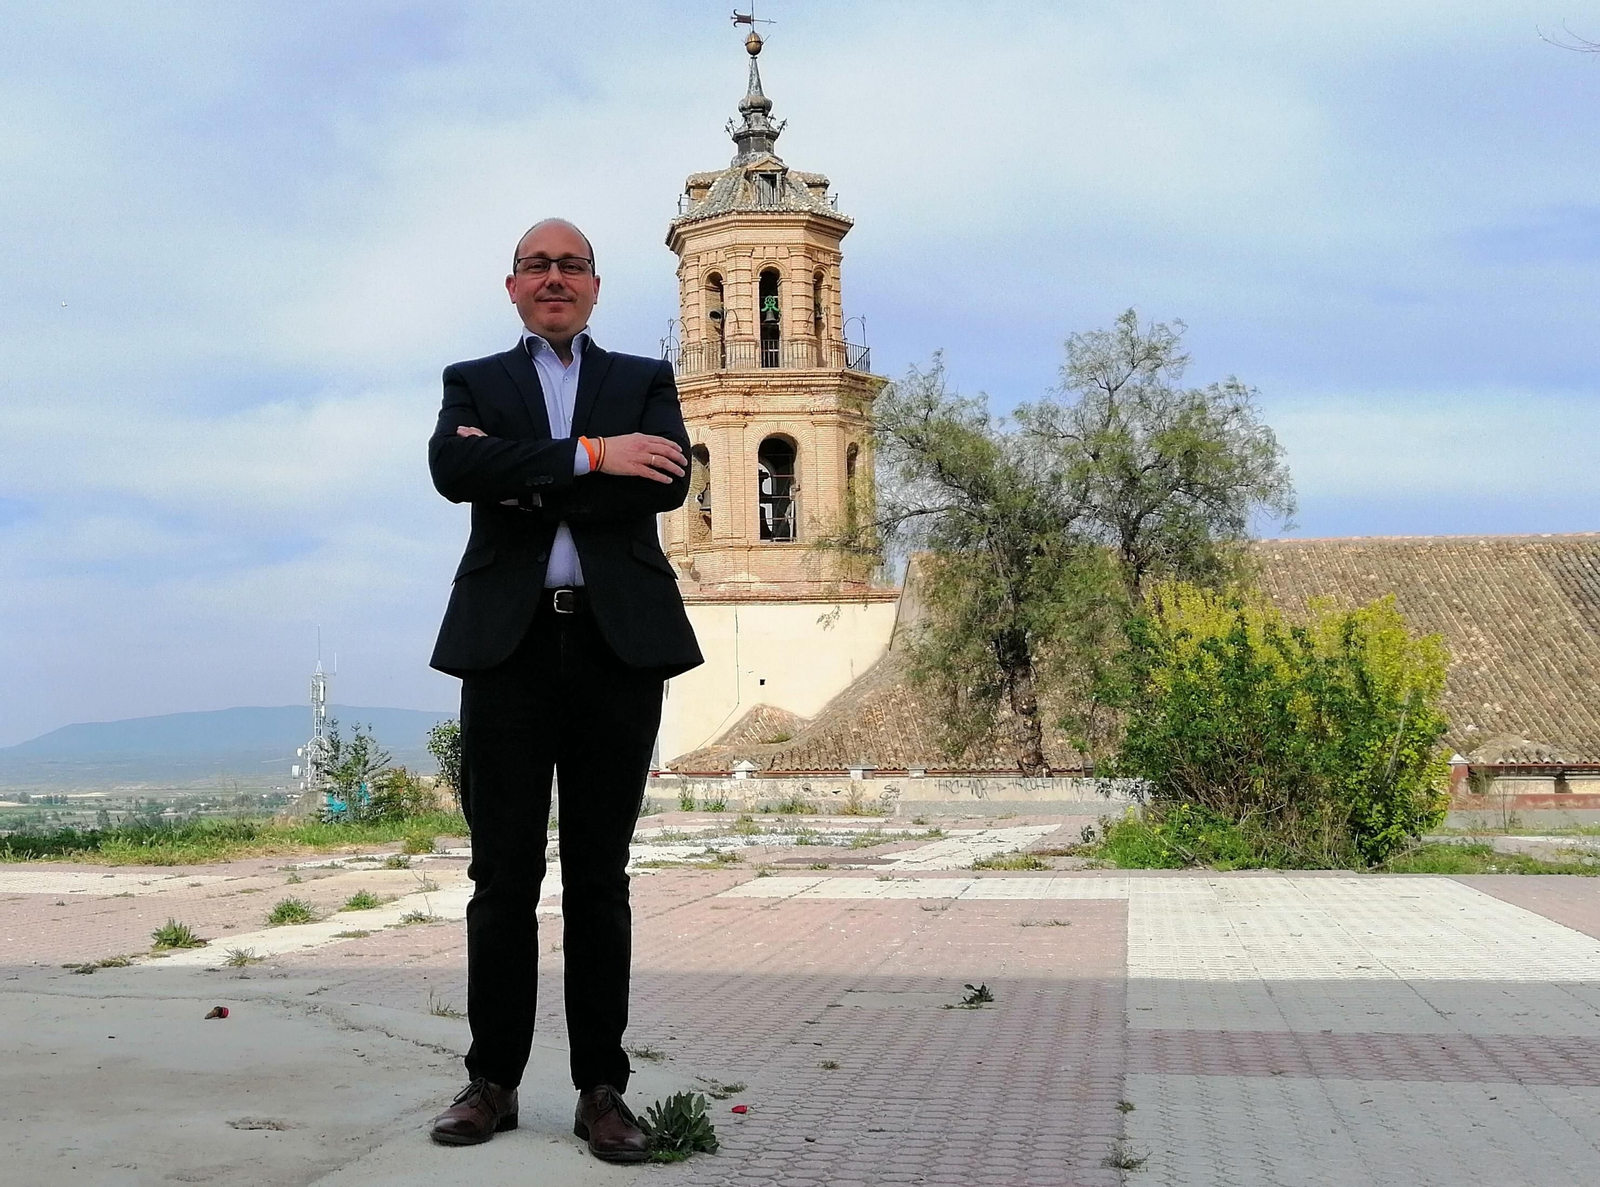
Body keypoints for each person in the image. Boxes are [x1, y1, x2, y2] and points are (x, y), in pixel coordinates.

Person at [425, 218, 702, 1162]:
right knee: (502, 873)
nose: (554, 278)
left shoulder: (644, 380)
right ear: (511, 286)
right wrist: (593, 457)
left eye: (570, 265)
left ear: (594, 285)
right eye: (536, 266)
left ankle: (601, 1090)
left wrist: (525, 477)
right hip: (508, 649)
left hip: (615, 647)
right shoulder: (476, 381)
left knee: (599, 876)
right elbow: (454, 468)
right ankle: (492, 1081)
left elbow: (664, 483)